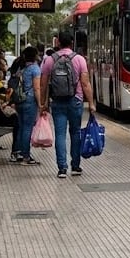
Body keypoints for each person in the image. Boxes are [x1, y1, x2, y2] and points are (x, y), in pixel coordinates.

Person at [40, 30, 96, 179]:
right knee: (75, 132)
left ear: (58, 42)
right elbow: (85, 83)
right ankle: (76, 166)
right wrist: (91, 103)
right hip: (75, 100)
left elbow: (43, 83)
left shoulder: (50, 60)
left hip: (57, 101)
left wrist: (42, 103)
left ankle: (62, 168)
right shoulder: (79, 59)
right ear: (72, 43)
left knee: (60, 134)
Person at [9, 46, 41, 165]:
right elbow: (37, 88)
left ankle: (18, 152)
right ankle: (26, 156)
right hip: (30, 100)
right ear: (35, 56)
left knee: (22, 127)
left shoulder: (22, 69)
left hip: (19, 101)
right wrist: (40, 104)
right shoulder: (35, 69)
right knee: (27, 128)